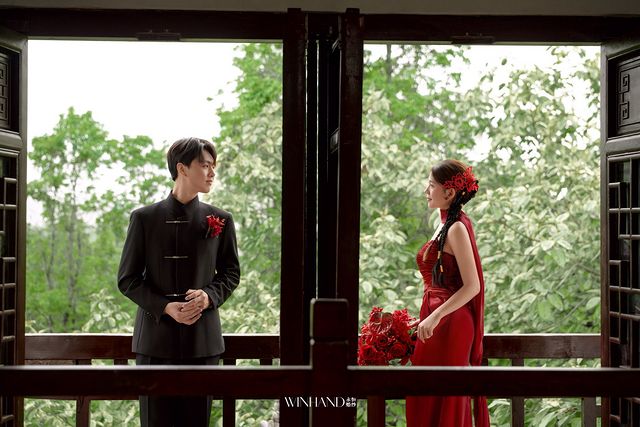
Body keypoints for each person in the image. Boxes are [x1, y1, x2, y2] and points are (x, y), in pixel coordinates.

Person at [118, 137, 240, 427]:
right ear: (182, 168)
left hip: (203, 343)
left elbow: (231, 273)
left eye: (213, 166)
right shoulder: (143, 218)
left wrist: (208, 296)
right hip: (154, 342)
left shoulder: (220, 219)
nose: (212, 173)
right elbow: (127, 279)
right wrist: (165, 307)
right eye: (205, 165)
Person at [406, 159, 489, 427]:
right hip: (436, 319)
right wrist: (425, 318)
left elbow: (472, 286)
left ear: (449, 192)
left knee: (446, 397)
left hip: (451, 323)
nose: (426, 191)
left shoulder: (457, 228)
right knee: (424, 395)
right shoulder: (444, 224)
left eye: (431, 185)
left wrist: (435, 316)